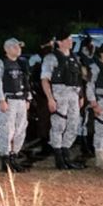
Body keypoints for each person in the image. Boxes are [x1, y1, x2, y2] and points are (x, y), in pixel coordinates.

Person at [40, 33, 86, 170]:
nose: (71, 41)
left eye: (71, 39)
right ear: (59, 42)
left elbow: (79, 78)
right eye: (68, 39)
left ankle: (66, 155)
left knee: (73, 124)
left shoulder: (74, 57)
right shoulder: (51, 58)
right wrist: (50, 98)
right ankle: (59, 157)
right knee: (58, 125)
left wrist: (81, 96)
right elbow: (45, 79)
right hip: (59, 92)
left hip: (74, 94)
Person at [0, 38, 32, 173]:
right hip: (8, 100)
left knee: (20, 130)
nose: (18, 49)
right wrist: (0, 100)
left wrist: (28, 99)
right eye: (15, 47)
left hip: (20, 100)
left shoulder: (21, 63)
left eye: (19, 47)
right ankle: (6, 159)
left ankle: (14, 156)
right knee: (6, 130)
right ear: (7, 49)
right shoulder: (0, 63)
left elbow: (26, 81)